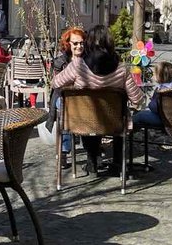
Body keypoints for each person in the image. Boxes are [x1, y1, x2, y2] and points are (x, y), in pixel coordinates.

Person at [51, 25, 142, 176]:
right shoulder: (121, 69)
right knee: (121, 114)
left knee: (90, 114)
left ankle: (92, 162)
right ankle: (118, 164)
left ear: (88, 43)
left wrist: (75, 84)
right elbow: (136, 98)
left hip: (83, 121)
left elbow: (55, 83)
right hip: (113, 122)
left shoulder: (78, 65)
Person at [48, 27, 86, 163]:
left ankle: (93, 149)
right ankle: (64, 149)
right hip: (65, 98)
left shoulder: (89, 59)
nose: (79, 46)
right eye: (75, 43)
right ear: (67, 44)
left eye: (81, 43)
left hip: (86, 98)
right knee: (64, 105)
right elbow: (57, 85)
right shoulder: (60, 61)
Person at [132, 61, 172, 130]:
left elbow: (154, 107)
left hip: (164, 120)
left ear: (159, 75)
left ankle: (128, 136)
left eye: (154, 74)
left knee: (139, 115)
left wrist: (150, 103)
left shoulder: (162, 90)